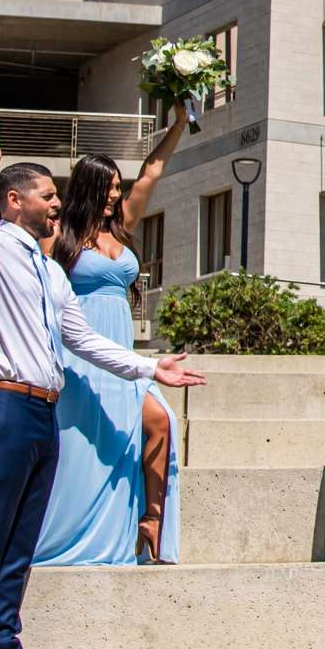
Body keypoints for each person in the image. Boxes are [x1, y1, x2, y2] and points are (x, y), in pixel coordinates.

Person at [0, 154, 204, 649]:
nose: (57, 204)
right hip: (0, 402)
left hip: (41, 406)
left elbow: (82, 338)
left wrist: (148, 367)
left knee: (19, 540)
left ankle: (6, 644)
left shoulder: (48, 269)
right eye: (47, 196)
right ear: (15, 201)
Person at [35, 107, 191, 565]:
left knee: (159, 422)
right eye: (107, 189)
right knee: (85, 445)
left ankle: (151, 519)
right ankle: (73, 531)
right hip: (79, 353)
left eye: (117, 189)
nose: (114, 196)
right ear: (87, 190)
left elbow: (154, 170)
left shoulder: (121, 225)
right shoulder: (58, 238)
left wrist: (180, 122)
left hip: (121, 350)